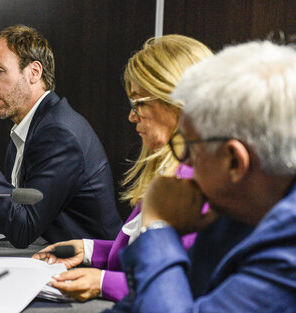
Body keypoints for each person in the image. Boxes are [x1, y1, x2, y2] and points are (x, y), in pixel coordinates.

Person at [107, 41, 296, 313]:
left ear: (234, 161)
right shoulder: (235, 206)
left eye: (190, 147)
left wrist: (159, 227)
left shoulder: (289, 248)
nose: (183, 160)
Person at [33, 35, 213, 302]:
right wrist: (90, 250)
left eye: (139, 104)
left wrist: (103, 282)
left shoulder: (203, 185)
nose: (131, 116)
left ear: (179, 103)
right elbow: (144, 250)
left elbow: (186, 284)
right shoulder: (170, 172)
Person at [0, 25, 123, 248]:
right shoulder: (31, 126)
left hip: (93, 269)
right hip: (56, 258)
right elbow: (9, 208)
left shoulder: (59, 133)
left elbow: (22, 227)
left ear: (34, 73)